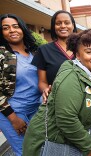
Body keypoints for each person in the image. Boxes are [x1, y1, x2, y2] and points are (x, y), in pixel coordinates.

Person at [23, 29, 91, 156]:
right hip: (52, 143)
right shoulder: (71, 76)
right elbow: (66, 119)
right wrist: (88, 147)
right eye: (89, 52)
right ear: (78, 55)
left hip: (74, 143)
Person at [0, 13, 41, 156]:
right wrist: (14, 119)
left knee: (41, 149)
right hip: (13, 112)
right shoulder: (2, 55)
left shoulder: (34, 52)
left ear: (23, 29)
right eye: (6, 28)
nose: (11, 30)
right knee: (25, 152)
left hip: (37, 110)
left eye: (15, 26)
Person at [31, 10, 77, 103]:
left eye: (67, 23)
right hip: (57, 101)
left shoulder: (82, 48)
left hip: (84, 99)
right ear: (53, 27)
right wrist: (46, 90)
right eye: (58, 23)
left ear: (73, 25)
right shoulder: (44, 50)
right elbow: (42, 82)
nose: (63, 26)